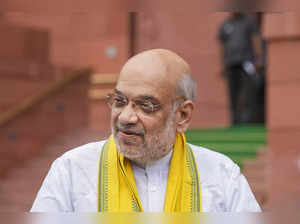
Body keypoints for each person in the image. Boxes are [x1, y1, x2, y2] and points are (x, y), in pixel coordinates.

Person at [31, 49, 261, 212]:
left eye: (146, 106)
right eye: (120, 101)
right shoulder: (72, 170)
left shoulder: (222, 176)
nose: (126, 117)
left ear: (182, 116)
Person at [218, 13, 263, 125]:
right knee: (233, 94)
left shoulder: (249, 22)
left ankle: (247, 121)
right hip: (231, 64)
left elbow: (255, 39)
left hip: (246, 63)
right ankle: (235, 121)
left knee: (248, 93)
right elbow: (222, 46)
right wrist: (222, 64)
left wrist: (258, 58)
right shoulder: (225, 25)